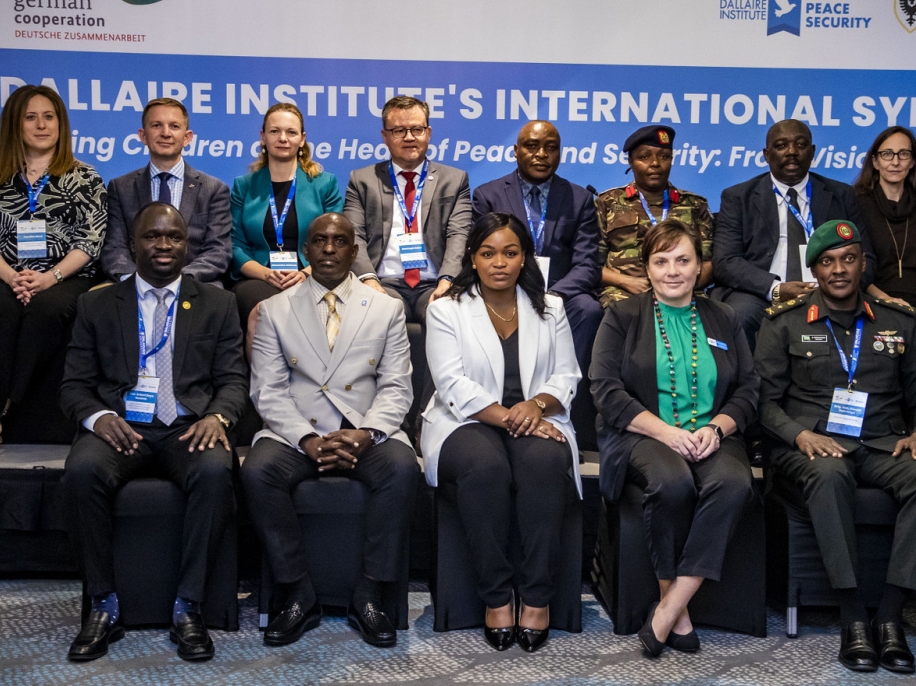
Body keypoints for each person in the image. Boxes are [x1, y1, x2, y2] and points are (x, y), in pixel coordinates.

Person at [754, 219, 916, 675]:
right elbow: (763, 403)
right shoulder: (784, 324)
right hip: (809, 442)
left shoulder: (900, 322)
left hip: (884, 442)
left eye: (847, 259)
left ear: (863, 264)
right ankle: (853, 616)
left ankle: (890, 615)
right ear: (815, 271)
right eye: (826, 262)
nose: (838, 270)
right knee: (829, 474)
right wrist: (801, 435)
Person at [60, 202, 247, 662]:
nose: (163, 245)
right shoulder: (97, 303)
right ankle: (102, 605)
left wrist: (217, 418)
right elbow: (73, 386)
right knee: (81, 471)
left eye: (174, 237)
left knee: (216, 469)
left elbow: (234, 381)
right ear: (131, 243)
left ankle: (189, 606)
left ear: (188, 245)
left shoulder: (218, 302)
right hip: (120, 429)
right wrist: (99, 419)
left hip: (188, 428)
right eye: (152, 236)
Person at [242, 212, 420, 649]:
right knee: (257, 471)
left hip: (364, 429)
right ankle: (297, 591)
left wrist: (368, 432)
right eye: (319, 240)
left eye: (339, 241)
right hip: (297, 431)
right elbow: (267, 388)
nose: (328, 249)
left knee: (401, 469)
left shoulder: (386, 308)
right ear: (305, 250)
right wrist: (306, 438)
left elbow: (397, 387)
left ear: (354, 252)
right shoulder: (273, 310)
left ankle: (371, 593)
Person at [590, 218, 758, 658]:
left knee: (735, 483)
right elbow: (605, 390)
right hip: (642, 433)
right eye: (661, 261)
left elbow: (748, 390)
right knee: (673, 482)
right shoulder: (621, 316)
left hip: (710, 434)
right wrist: (665, 432)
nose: (673, 270)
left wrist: (716, 427)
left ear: (700, 265)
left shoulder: (725, 317)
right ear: (646, 268)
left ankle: (670, 606)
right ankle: (677, 610)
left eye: (683, 260)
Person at [420, 212, 582, 653]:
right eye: (488, 253)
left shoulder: (551, 308)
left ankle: (536, 598)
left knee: (546, 464)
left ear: (524, 256)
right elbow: (452, 385)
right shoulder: (445, 310)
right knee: (483, 467)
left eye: (510, 253)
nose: (499, 263)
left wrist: (537, 406)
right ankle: (495, 597)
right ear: (472, 257)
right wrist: (515, 417)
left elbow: (567, 375)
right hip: (466, 421)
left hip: (539, 418)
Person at [0, 84, 107, 455]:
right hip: (4, 275)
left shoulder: (85, 178)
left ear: (61, 124)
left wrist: (49, 278)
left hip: (65, 276)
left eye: (49, 117)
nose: (41, 125)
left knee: (46, 310)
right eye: (30, 117)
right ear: (15, 125)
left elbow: (90, 240)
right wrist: (12, 277)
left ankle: (1, 409)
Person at [713, 119, 883, 350]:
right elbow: (726, 261)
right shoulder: (738, 197)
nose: (792, 152)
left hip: (829, 292)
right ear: (766, 154)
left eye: (801, 145)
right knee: (738, 316)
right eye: (781, 145)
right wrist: (775, 289)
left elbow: (867, 259)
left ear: (812, 152)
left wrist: (831, 287)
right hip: (761, 294)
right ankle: (744, 386)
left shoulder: (841, 195)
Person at [472, 120, 602, 371]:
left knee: (588, 309)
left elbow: (587, 263)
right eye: (531, 146)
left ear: (560, 153)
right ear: (515, 150)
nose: (541, 154)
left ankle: (573, 396)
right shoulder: (488, 195)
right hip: (505, 290)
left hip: (559, 292)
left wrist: (554, 295)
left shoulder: (579, 199)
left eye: (550, 147)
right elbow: (481, 256)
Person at [343, 95, 473, 324]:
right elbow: (354, 235)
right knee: (380, 314)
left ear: (429, 133)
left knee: (445, 314)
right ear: (385, 136)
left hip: (434, 282)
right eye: (399, 131)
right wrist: (369, 281)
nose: (410, 137)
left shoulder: (454, 180)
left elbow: (459, 234)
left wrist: (447, 281)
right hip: (384, 282)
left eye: (417, 129)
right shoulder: (362, 180)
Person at [229, 102, 343, 330]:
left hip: (314, 275)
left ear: (302, 139)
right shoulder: (244, 186)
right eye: (274, 131)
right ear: (263, 137)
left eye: (291, 132)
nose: (283, 138)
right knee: (263, 313)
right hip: (259, 278)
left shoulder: (324, 184)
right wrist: (266, 274)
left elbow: (338, 241)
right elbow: (234, 246)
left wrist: (306, 273)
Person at [102, 98, 232, 285]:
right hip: (134, 284)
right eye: (156, 125)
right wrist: (137, 282)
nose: (165, 133)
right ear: (143, 135)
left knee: (221, 301)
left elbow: (218, 251)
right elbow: (114, 248)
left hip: (195, 283)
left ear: (187, 137)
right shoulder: (120, 188)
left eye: (174, 126)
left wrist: (180, 281)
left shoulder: (214, 189)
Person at [595, 125, 714, 307]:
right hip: (625, 293)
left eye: (664, 156)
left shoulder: (695, 205)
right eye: (644, 157)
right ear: (631, 162)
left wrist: (675, 286)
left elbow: (708, 263)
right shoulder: (608, 203)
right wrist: (625, 281)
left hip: (684, 291)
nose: (655, 163)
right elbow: (591, 265)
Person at [853, 126, 916, 314]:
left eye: (903, 154)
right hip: (874, 302)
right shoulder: (857, 206)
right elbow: (856, 267)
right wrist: (885, 299)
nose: (895, 162)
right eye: (887, 154)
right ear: (875, 161)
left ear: (913, 161)